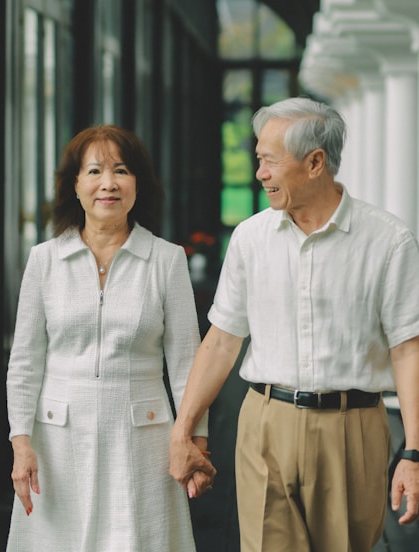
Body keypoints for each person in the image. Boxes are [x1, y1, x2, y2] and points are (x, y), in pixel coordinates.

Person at [169, 97, 419, 552]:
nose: (260, 173)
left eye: (269, 161)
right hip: (266, 423)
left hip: (354, 428)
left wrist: (413, 455)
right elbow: (223, 340)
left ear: (315, 163)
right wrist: (183, 431)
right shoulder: (250, 238)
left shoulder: (389, 241)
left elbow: (408, 349)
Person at [6, 124, 211, 552]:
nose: (108, 183)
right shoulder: (44, 261)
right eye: (94, 171)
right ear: (75, 186)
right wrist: (21, 443)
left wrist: (195, 444)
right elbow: (25, 361)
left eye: (121, 170)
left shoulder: (166, 260)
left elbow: (188, 365)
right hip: (57, 441)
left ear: (138, 184)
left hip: (144, 439)